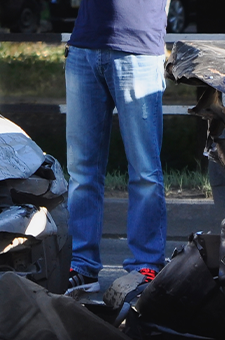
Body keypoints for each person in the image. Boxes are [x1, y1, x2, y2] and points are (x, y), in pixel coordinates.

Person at [64, 0, 168, 293]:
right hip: (84, 46)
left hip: (138, 49)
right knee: (82, 170)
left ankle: (146, 265)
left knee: (145, 169)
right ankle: (81, 266)